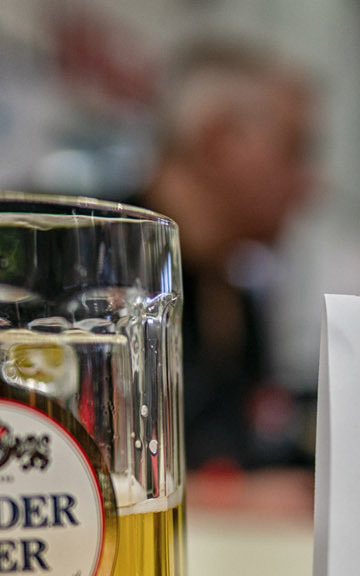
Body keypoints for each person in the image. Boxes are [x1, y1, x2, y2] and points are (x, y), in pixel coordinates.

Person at [134, 40, 319, 470]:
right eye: (295, 150)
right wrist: (230, 497)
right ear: (218, 140)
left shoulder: (234, 295)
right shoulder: (82, 264)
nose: (311, 184)